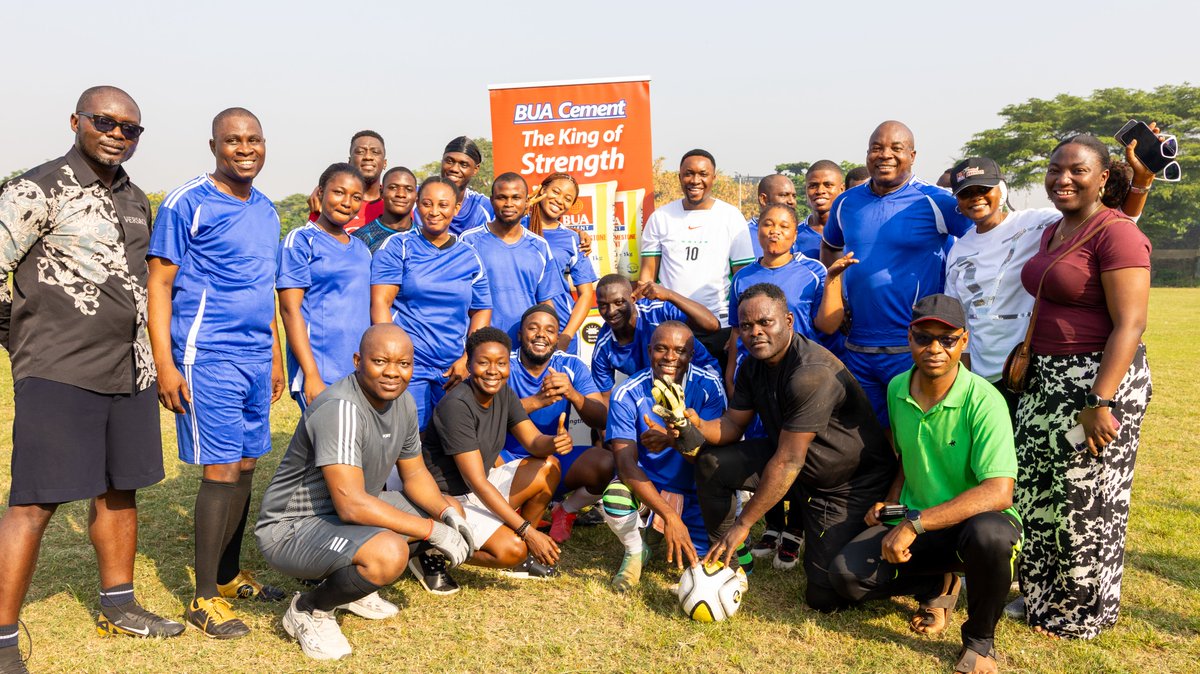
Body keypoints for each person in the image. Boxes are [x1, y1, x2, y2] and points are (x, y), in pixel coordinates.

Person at [0, 86, 183, 672]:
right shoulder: (37, 187)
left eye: (131, 128)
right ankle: (2, 639)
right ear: (75, 120)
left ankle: (119, 603)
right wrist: (20, 338)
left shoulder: (134, 198)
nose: (118, 134)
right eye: (106, 122)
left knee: (120, 488)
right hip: (58, 369)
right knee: (35, 501)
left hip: (128, 369)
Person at [147, 107, 286, 639]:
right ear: (214, 146)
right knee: (220, 469)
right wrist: (165, 363)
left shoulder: (268, 210)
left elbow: (265, 287)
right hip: (206, 355)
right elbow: (158, 285)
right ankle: (203, 600)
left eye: (253, 139)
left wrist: (274, 355)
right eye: (233, 141)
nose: (244, 149)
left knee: (247, 463)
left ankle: (228, 579)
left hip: (255, 355)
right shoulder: (188, 202)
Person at [255, 325, 472, 661]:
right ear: (358, 361)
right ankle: (308, 609)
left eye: (403, 364)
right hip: (292, 527)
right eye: (380, 361)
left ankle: (353, 589)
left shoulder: (403, 402)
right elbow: (351, 504)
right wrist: (432, 531)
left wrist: (447, 517)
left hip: (341, 515)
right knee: (387, 554)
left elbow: (414, 474)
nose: (393, 372)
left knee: (446, 505)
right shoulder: (341, 407)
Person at [829, 294, 1022, 674]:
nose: (935, 348)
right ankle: (938, 585)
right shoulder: (897, 388)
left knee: (991, 538)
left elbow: (999, 492)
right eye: (924, 338)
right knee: (843, 578)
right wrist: (891, 503)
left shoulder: (985, 400)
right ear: (909, 338)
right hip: (917, 523)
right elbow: (907, 458)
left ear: (963, 341)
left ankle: (980, 641)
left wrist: (914, 524)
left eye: (947, 339)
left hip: (973, 524)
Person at [1014, 134, 1152, 640]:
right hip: (1046, 379)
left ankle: (1080, 613)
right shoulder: (1053, 230)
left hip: (1097, 381)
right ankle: (1039, 596)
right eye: (1055, 169)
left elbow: (1131, 324)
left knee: (1085, 497)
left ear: (1102, 178)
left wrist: (1100, 400)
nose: (1062, 179)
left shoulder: (1117, 234)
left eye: (1076, 171)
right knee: (1036, 490)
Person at [691, 283, 896, 611]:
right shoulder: (752, 365)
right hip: (800, 469)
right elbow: (731, 427)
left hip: (846, 486)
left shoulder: (810, 373)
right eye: (746, 326)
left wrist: (744, 524)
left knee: (825, 596)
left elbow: (787, 462)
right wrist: (695, 424)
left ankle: (926, 575)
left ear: (788, 320)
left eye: (764, 323)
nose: (755, 332)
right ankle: (728, 561)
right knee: (712, 463)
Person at [944, 152, 1153, 418]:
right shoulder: (958, 250)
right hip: (985, 375)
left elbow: (1112, 222)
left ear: (1002, 189)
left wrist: (1142, 183)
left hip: (1031, 367)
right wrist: (965, 379)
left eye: (984, 189)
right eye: (966, 193)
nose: (976, 198)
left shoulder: (1038, 222)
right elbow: (961, 320)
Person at [820, 120, 973, 428]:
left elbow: (980, 238)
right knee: (867, 437)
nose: (885, 155)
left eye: (896, 148)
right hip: (858, 345)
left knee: (917, 433)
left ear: (913, 156)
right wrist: (839, 295)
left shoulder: (937, 201)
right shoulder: (846, 202)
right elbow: (829, 247)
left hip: (913, 346)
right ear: (866, 155)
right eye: (877, 148)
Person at [421, 327, 572, 591]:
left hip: (479, 487)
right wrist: (527, 532)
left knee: (548, 467)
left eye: (501, 363)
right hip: (447, 499)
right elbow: (476, 481)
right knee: (513, 550)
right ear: (468, 365)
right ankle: (430, 549)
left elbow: (534, 443)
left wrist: (554, 443)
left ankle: (521, 544)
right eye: (483, 362)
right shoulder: (456, 405)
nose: (493, 371)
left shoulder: (503, 392)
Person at [726, 203, 829, 569]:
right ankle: (773, 525)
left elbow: (823, 325)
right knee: (765, 449)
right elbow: (736, 334)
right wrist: (731, 374)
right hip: (756, 377)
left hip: (798, 378)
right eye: (767, 224)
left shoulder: (813, 270)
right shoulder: (742, 277)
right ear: (758, 231)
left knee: (793, 452)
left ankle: (796, 530)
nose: (774, 231)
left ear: (794, 231)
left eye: (783, 225)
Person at [602, 321, 727, 592]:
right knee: (615, 496)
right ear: (649, 351)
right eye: (661, 349)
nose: (670, 358)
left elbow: (713, 457)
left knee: (710, 567)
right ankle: (636, 551)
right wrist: (670, 515)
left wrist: (673, 439)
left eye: (680, 351)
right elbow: (625, 466)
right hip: (653, 488)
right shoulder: (627, 392)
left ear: (692, 355)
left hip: (698, 490)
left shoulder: (709, 386)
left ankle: (667, 531)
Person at [370, 177, 491, 431]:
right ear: (417, 204)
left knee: (453, 440)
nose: (434, 212)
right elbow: (381, 302)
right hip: (411, 366)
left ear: (456, 208)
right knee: (410, 438)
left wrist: (468, 357)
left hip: (454, 367)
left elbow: (481, 309)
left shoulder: (469, 255)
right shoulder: (398, 247)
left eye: (443, 205)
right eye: (427, 203)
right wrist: (395, 358)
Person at [503, 305, 612, 543]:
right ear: (521, 334)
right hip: (505, 459)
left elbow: (602, 418)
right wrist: (536, 402)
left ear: (557, 338)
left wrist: (574, 394)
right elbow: (483, 415)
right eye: (533, 328)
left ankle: (565, 510)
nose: (542, 334)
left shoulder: (570, 365)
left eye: (550, 330)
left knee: (606, 463)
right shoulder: (503, 364)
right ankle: (515, 512)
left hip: (551, 460)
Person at [639, 149, 755, 359]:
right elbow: (646, 277)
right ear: (679, 177)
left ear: (714, 178)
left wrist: (738, 329)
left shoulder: (731, 216)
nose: (695, 180)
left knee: (717, 388)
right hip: (671, 325)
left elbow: (743, 278)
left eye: (703, 174)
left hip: (719, 324)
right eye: (689, 173)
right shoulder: (661, 217)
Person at [278, 163, 372, 409]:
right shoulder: (300, 241)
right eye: (339, 192)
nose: (346, 202)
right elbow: (289, 311)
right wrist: (311, 375)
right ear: (320, 193)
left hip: (360, 372)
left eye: (356, 197)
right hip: (321, 370)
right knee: (331, 445)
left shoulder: (362, 249)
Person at [460, 173, 568, 339]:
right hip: (483, 348)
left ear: (526, 202)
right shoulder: (469, 241)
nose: (509, 204)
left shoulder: (540, 246)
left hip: (525, 350)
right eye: (502, 197)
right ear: (491, 201)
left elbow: (546, 303)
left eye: (516, 198)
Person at [591, 274, 720, 400]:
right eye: (603, 305)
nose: (611, 311)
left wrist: (670, 295)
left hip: (701, 380)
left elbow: (712, 325)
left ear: (633, 299)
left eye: (619, 302)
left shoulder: (657, 310)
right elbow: (604, 401)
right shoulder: (604, 347)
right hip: (659, 391)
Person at [525, 172, 598, 355]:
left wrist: (566, 335)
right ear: (542, 190)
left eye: (567, 199)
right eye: (555, 192)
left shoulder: (573, 239)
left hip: (557, 327)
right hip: (519, 324)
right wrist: (524, 205)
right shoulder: (513, 228)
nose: (559, 200)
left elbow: (586, 294)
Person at [307, 130, 387, 233]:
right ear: (349, 162)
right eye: (360, 152)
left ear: (384, 163)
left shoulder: (399, 203)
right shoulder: (329, 202)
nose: (368, 157)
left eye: (375, 152)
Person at [413, 136, 494, 236]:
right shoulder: (414, 196)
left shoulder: (487, 207)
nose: (454, 169)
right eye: (449, 161)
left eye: (463, 164)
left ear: (475, 169)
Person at [353, 166, 417, 253]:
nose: (401, 194)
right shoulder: (360, 239)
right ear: (381, 192)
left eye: (409, 189)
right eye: (393, 187)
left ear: (416, 196)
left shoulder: (426, 236)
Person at [744, 174, 799, 258]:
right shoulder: (743, 233)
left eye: (794, 196)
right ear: (763, 199)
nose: (791, 201)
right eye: (783, 195)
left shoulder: (799, 231)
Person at [800, 161, 846, 258]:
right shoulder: (792, 235)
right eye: (813, 186)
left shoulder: (854, 231)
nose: (820, 191)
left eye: (828, 185)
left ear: (842, 189)